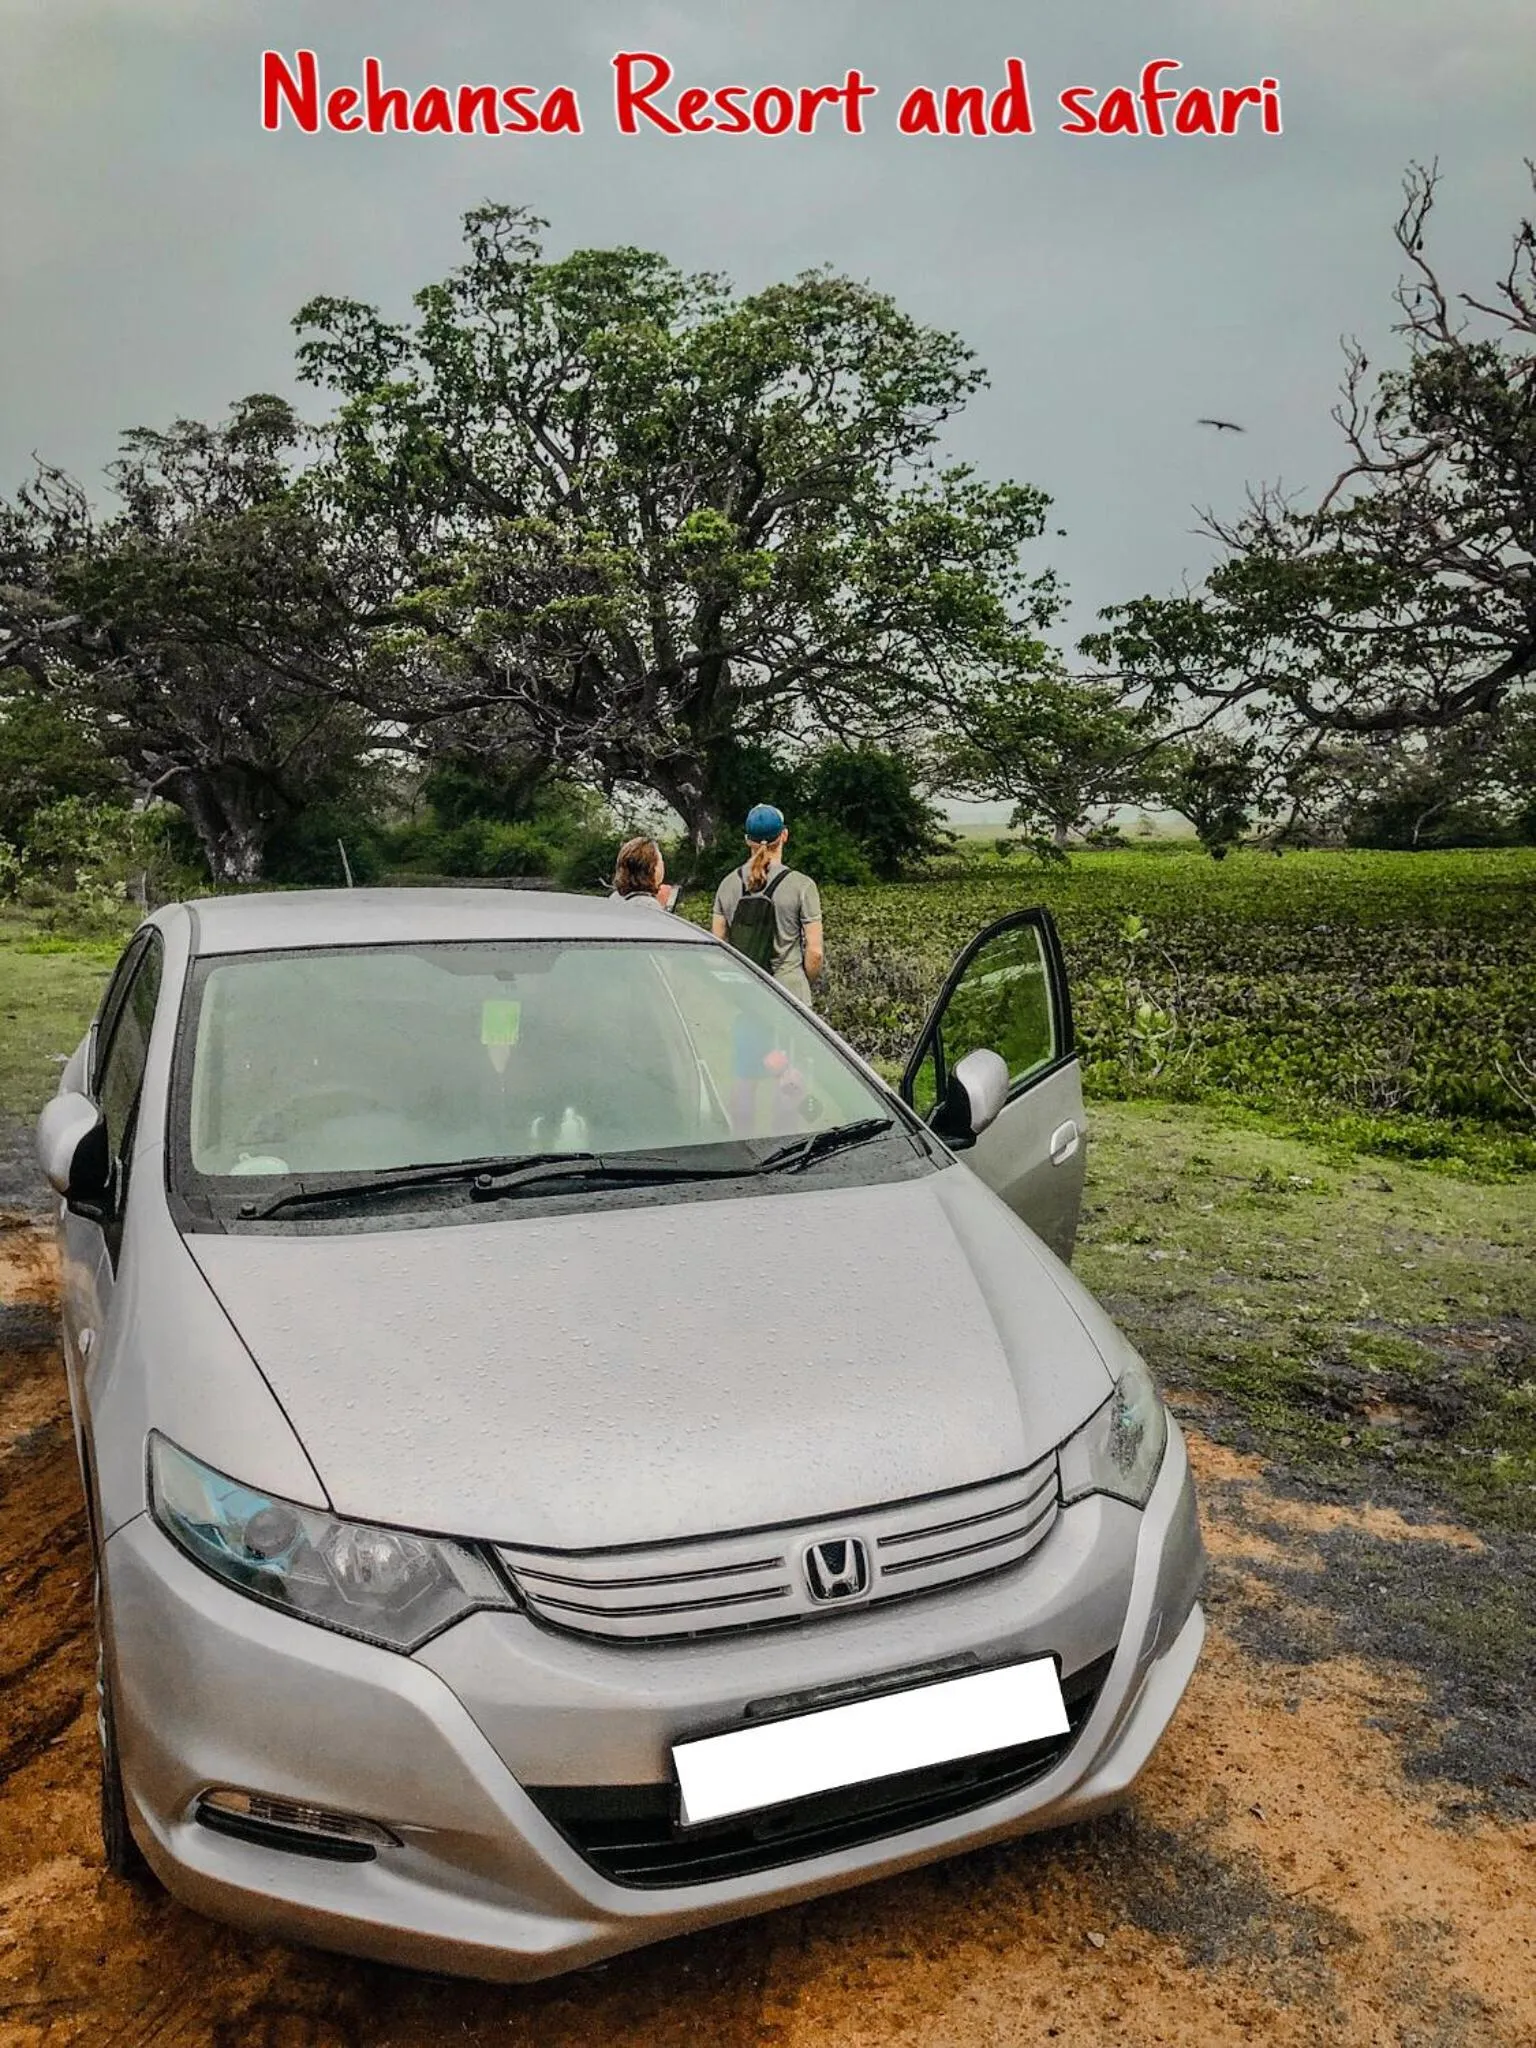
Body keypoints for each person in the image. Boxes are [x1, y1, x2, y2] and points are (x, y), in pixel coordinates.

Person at [711, 804, 823, 1003]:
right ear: (784, 835)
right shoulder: (802, 885)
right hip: (790, 992)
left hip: (745, 993)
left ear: (747, 840)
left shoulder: (727, 885)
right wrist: (803, 982)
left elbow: (718, 946)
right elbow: (815, 953)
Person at [610, 837, 679, 911]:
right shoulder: (649, 905)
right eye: (660, 860)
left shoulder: (615, 898)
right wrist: (662, 908)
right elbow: (657, 922)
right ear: (652, 868)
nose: (663, 864)